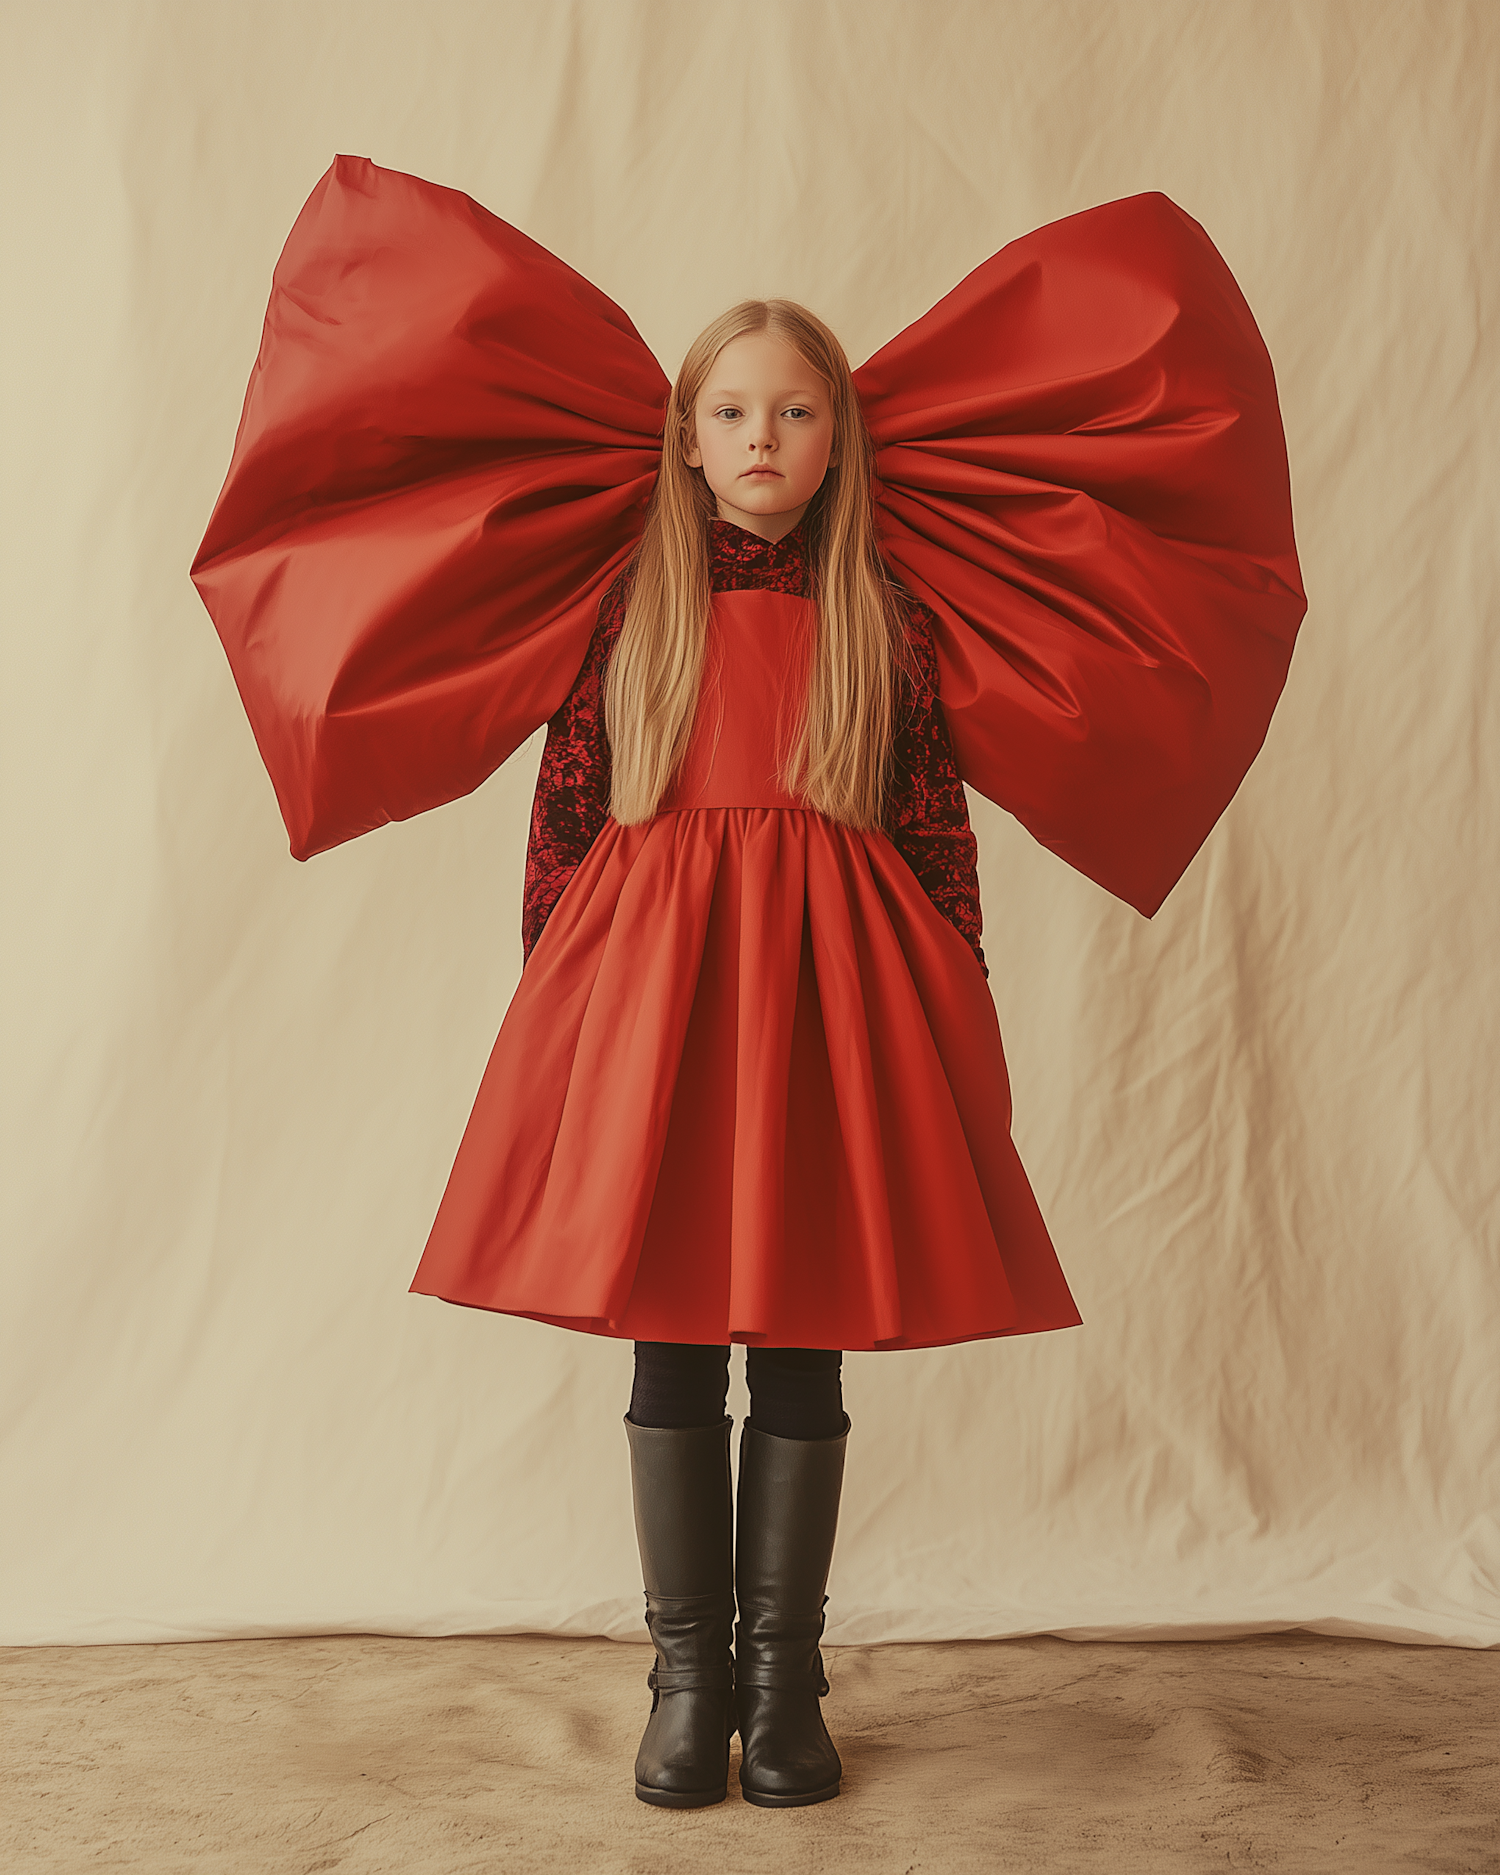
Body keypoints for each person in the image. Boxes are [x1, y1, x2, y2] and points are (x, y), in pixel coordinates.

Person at [192, 157, 1304, 1814]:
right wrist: (561, 1025)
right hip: (648, 1001)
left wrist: (958, 1008)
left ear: (840, 435)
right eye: (732, 413)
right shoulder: (628, 608)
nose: (763, 439)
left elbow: (935, 829)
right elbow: (566, 820)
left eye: (794, 411)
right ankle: (683, 1676)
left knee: (800, 1341)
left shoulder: (885, 614)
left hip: (837, 1006)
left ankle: (787, 1684)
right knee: (665, 1346)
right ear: (687, 437)